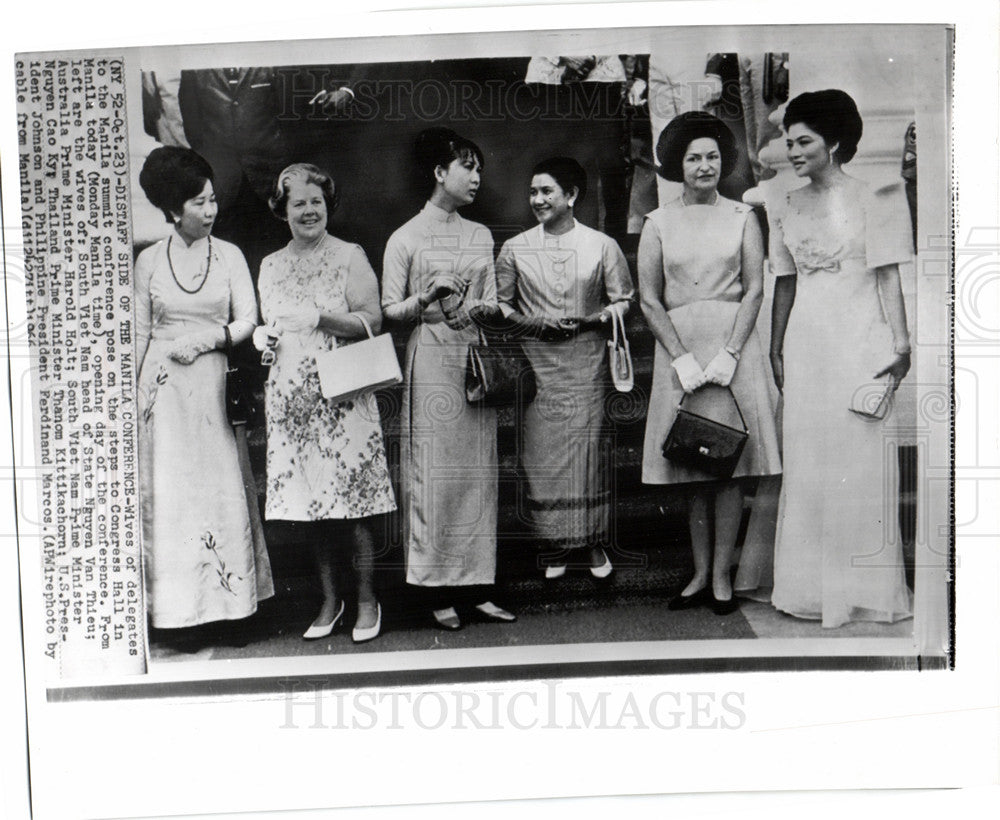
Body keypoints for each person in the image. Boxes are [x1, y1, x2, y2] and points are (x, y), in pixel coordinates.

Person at [768, 89, 914, 627]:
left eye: (804, 141)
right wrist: (775, 345)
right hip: (808, 341)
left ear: (833, 141)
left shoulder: (875, 196)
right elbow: (784, 280)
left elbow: (889, 273)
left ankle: (860, 588)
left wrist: (901, 345)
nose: (793, 150)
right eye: (788, 141)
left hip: (860, 339)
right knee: (809, 458)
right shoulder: (784, 202)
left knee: (857, 460)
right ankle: (809, 588)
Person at [638, 112, 781, 615]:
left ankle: (722, 575)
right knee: (691, 467)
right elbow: (650, 299)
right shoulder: (658, 222)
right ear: (679, 164)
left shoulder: (742, 216)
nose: (705, 165)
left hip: (730, 348)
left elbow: (756, 287)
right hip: (680, 349)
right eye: (695, 157)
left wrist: (731, 353)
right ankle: (699, 573)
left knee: (729, 467)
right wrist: (680, 358)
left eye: (713, 156)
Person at [135, 146, 274, 632]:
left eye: (212, 199)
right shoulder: (150, 261)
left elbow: (248, 321)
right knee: (174, 495)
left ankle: (231, 610)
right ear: (173, 209)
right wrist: (135, 398)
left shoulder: (231, 255)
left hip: (213, 384)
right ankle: (180, 614)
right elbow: (138, 334)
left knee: (219, 490)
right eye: (198, 203)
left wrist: (209, 339)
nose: (210, 210)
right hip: (165, 390)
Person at [382, 128, 515, 631]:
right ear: (440, 172)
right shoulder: (406, 237)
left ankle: (477, 586)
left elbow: (493, 299)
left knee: (477, 474)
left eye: (479, 168)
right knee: (434, 474)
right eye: (467, 166)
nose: (477, 177)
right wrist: (429, 296)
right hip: (431, 354)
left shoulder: (480, 234)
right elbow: (390, 309)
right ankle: (435, 589)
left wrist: (488, 308)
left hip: (472, 355)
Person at [256, 163, 396, 643]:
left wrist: (321, 317)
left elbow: (372, 320)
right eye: (299, 203)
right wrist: (265, 340)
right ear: (283, 210)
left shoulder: (348, 256)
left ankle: (365, 600)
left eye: (316, 201)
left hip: (343, 392)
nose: (309, 210)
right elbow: (271, 326)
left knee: (354, 503)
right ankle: (330, 600)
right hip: (292, 397)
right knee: (314, 505)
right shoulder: (270, 265)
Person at [496, 156, 634, 579]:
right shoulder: (515, 248)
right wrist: (534, 323)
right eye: (533, 191)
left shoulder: (601, 245)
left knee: (586, 453)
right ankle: (553, 546)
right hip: (538, 365)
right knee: (542, 457)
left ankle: (591, 543)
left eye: (547, 191)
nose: (537, 199)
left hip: (585, 361)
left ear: (571, 196)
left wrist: (594, 320)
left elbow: (625, 299)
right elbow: (500, 304)